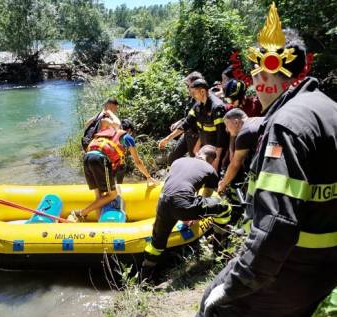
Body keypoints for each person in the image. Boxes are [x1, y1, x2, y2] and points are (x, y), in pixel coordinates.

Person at [199, 3, 337, 317]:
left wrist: (231, 286)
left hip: (289, 270)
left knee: (212, 306)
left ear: (266, 71)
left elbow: (276, 225)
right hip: (324, 273)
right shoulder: (329, 109)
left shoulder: (286, 123)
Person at [141, 145, 231, 282]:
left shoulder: (178, 161)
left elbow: (173, 185)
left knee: (156, 245)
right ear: (212, 161)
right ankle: (218, 252)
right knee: (225, 208)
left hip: (163, 203)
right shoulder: (210, 170)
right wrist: (192, 214)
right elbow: (206, 197)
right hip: (183, 205)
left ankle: (144, 280)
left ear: (198, 153)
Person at [68, 117, 158, 222]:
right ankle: (80, 213)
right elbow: (138, 162)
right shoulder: (127, 137)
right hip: (100, 159)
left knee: (99, 197)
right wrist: (148, 176)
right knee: (113, 194)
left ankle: (99, 222)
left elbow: (103, 120)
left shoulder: (105, 132)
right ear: (128, 130)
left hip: (87, 157)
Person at [159, 79, 228, 172]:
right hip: (205, 148)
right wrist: (168, 139)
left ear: (203, 91)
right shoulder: (198, 106)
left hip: (217, 151)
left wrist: (217, 158)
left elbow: (222, 136)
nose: (192, 96)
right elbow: (187, 123)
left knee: (215, 177)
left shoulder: (217, 107)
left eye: (194, 93)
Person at [217, 109, 263, 195]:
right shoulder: (255, 120)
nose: (226, 129)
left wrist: (222, 184)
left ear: (236, 122)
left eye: (227, 125)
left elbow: (235, 164)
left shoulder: (244, 133)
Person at [164, 71, 203, 166]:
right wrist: (179, 122)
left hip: (196, 137)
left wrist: (168, 139)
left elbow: (190, 122)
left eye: (188, 86)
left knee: (196, 164)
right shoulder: (192, 98)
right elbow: (189, 116)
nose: (187, 89)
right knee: (172, 159)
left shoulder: (202, 101)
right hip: (186, 134)